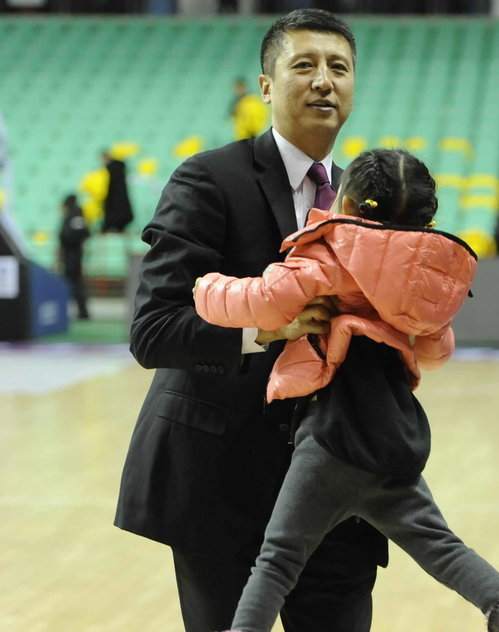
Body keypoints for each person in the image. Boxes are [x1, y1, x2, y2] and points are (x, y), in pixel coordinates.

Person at [194, 148, 499, 632]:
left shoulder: (329, 253)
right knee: (443, 547)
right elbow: (436, 351)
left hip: (331, 442)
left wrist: (206, 289)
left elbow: (262, 301)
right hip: (391, 438)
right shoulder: (426, 281)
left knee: (277, 561)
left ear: (346, 203)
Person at [114, 10, 387, 632]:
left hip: (337, 493)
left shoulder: (366, 200)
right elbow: (154, 331)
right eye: (304, 65)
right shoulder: (208, 178)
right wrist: (266, 329)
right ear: (266, 85)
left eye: (339, 67)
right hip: (220, 488)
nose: (324, 80)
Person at [58, 193, 90, 320]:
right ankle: (80, 311)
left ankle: (81, 312)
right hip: (73, 255)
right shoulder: (75, 215)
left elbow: (80, 233)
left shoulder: (75, 215)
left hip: (73, 256)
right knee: (75, 285)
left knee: (75, 285)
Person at [100, 150, 134, 233]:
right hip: (121, 197)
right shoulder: (120, 167)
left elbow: (107, 185)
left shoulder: (109, 169)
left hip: (113, 197)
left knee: (112, 213)